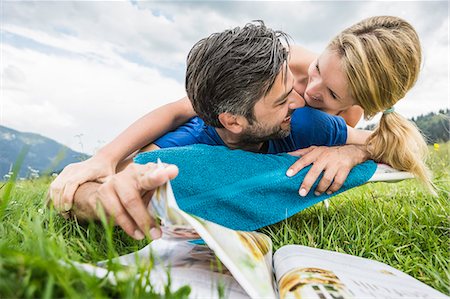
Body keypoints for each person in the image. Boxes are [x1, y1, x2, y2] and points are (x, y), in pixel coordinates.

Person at [49, 18, 433, 240]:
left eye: (330, 93)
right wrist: (103, 163)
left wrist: (351, 151)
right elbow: (178, 113)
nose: (305, 94)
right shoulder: (287, 71)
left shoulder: (313, 119)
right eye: (314, 73)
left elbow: (382, 140)